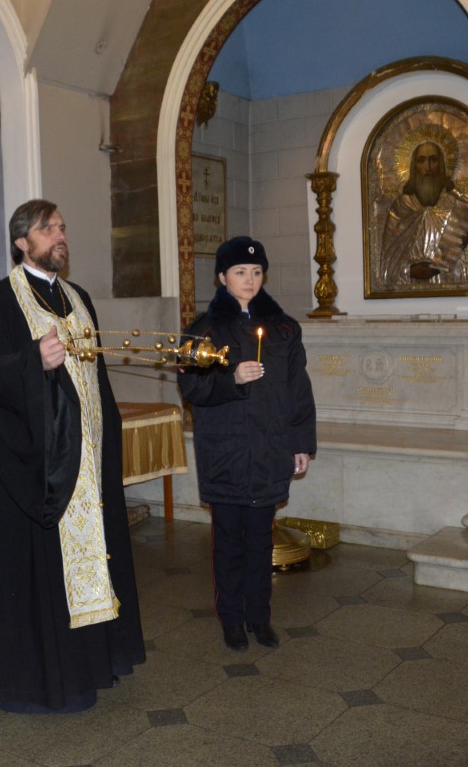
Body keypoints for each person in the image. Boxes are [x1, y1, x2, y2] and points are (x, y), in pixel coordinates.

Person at [0, 199, 145, 712]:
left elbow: (97, 381)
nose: (60, 236)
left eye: (63, 228)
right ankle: (48, 679)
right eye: (49, 230)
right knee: (46, 574)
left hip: (91, 461)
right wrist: (32, 361)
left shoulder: (79, 296)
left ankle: (97, 661)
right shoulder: (0, 302)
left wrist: (106, 447)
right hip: (42, 468)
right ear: (22, 242)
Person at [178, 236, 316, 651]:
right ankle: (232, 621)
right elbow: (191, 388)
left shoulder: (284, 328)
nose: (249, 280)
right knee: (228, 544)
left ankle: (260, 618)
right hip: (225, 451)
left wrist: (300, 444)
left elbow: (298, 390)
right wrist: (232, 380)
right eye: (240, 272)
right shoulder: (201, 330)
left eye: (256, 272)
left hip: (269, 448)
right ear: (222, 277)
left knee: (261, 543)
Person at [379, 140, 468, 287]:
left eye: (433, 160)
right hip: (407, 297)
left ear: (442, 165)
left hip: (452, 295)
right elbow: (385, 265)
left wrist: (458, 252)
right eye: (421, 161)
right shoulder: (400, 209)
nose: (427, 167)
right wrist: (409, 271)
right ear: (413, 166)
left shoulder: (459, 207)